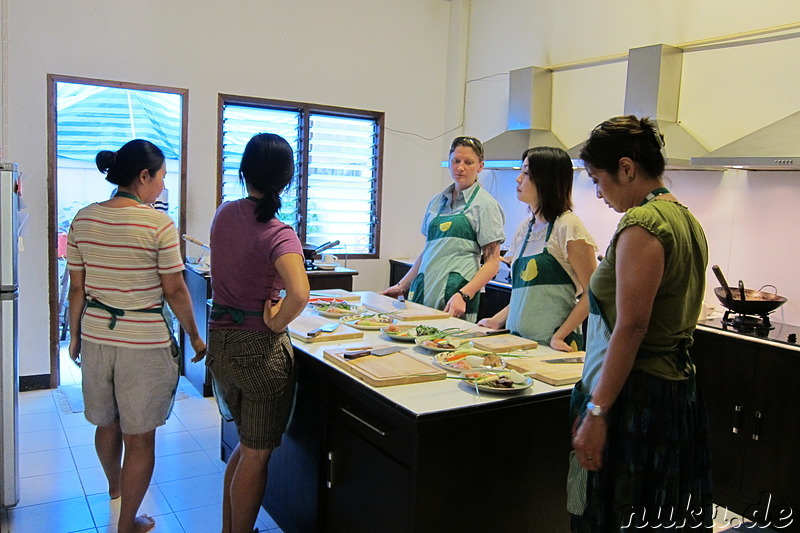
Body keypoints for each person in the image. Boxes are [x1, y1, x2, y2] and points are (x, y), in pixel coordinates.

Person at [569, 116, 713, 531]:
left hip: (638, 398)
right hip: (674, 393)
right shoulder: (687, 221)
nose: (597, 192)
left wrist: (597, 411)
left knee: (616, 515)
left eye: (598, 178)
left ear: (627, 168)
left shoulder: (641, 224)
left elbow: (631, 327)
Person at [66, 139, 207, 533]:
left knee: (105, 424)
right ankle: (128, 522)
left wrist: (75, 337)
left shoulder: (82, 219)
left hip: (96, 335)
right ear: (143, 177)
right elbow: (176, 290)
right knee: (140, 439)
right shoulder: (157, 225)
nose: (163, 186)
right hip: (142, 343)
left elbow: (78, 289)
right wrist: (196, 336)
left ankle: (116, 489)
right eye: (161, 177)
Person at [207, 133, 310, 533]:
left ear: (243, 171)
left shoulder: (224, 214)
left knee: (245, 445)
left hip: (221, 342)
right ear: (286, 180)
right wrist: (275, 320)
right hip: (258, 351)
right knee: (256, 453)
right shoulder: (279, 232)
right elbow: (299, 293)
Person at [477, 147, 597, 351]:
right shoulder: (526, 229)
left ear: (546, 180)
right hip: (519, 343)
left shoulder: (568, 227)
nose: (518, 179)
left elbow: (593, 293)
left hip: (554, 347)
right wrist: (497, 320)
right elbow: (526, 297)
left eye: (526, 172)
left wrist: (559, 337)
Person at [381, 136, 505, 322]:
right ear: (449, 163)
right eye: (456, 161)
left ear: (480, 166)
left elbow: (492, 262)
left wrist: (463, 295)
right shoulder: (437, 201)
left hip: (455, 295)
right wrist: (402, 285)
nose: (460, 167)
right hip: (425, 288)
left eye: (468, 162)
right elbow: (429, 250)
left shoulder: (485, 205)